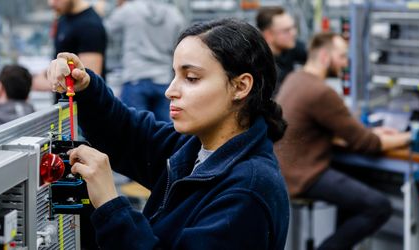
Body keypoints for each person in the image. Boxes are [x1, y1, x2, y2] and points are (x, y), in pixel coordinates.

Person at [47, 19, 289, 249]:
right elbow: (128, 134)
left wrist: (110, 206)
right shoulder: (195, 150)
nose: (170, 91)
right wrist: (85, 87)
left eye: (191, 78)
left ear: (240, 86)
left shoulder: (247, 192)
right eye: (174, 75)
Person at [274, 32, 411, 250]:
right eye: (342, 56)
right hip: (303, 176)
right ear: (324, 57)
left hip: (284, 170)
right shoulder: (320, 92)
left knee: (356, 179)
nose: (345, 63)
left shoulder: (296, 78)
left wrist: (371, 131)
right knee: (378, 206)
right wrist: (411, 136)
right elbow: (368, 144)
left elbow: (334, 128)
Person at [105, 0, 185, 122]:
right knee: (165, 133)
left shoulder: (129, 10)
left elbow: (106, 29)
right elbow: (181, 46)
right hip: (164, 80)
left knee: (134, 130)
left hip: (135, 78)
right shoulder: (175, 14)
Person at [33, 0, 107, 91]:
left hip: (81, 104)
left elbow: (89, 82)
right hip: (64, 102)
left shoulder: (90, 26)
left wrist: (48, 83)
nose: (51, 3)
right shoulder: (63, 19)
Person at [256, 6, 307, 85]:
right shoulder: (260, 66)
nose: (294, 33)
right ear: (268, 35)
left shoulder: (291, 46)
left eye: (293, 27)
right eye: (286, 30)